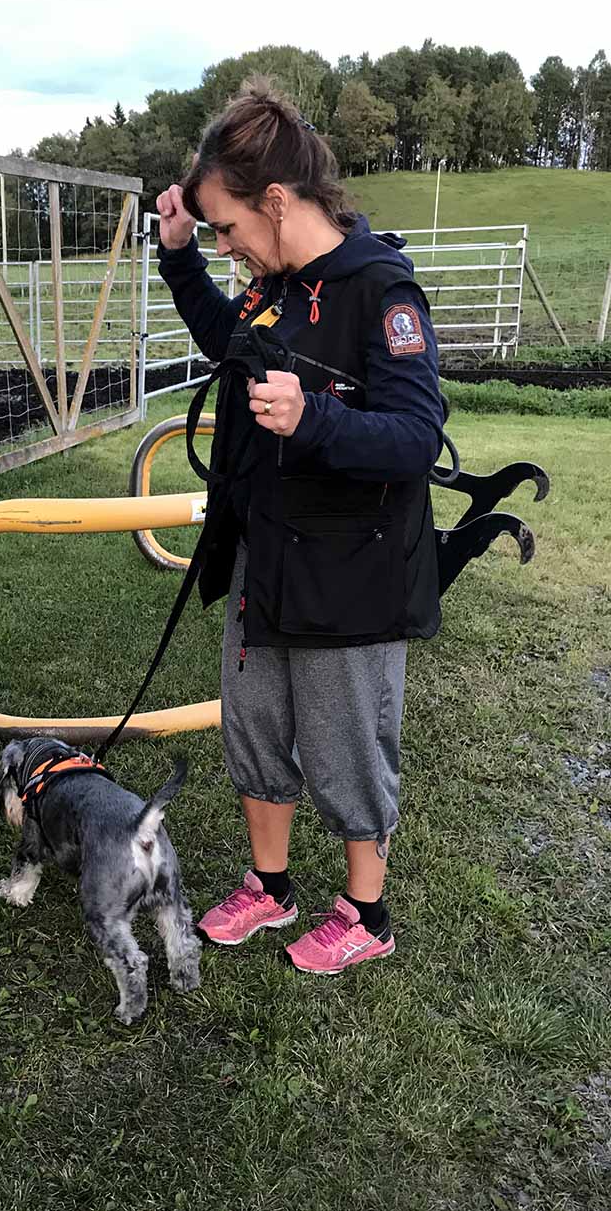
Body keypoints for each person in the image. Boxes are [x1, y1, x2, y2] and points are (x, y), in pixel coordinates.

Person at [156, 77, 444, 975]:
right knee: (254, 725)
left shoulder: (378, 289)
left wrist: (312, 417)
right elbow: (227, 343)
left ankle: (366, 911)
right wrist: (178, 258)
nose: (229, 247)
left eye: (230, 228)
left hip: (352, 574)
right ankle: (270, 887)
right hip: (265, 557)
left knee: (345, 740)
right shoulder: (271, 285)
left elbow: (413, 437)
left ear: (276, 202)